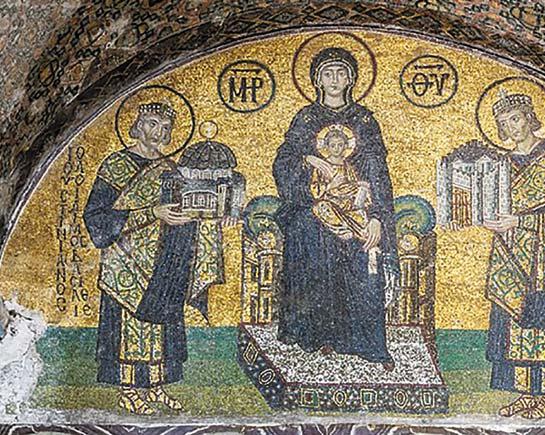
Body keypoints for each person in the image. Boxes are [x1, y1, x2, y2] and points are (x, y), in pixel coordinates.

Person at [273, 47, 399, 368]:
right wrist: (309, 160)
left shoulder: (363, 120)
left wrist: (377, 218)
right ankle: (316, 336)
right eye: (327, 74)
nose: (334, 80)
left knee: (363, 252)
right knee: (309, 232)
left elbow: (378, 173)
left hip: (358, 210)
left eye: (341, 73)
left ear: (351, 79)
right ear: (317, 80)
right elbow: (284, 163)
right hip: (314, 208)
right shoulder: (306, 118)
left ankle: (363, 343)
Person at [84, 101, 196, 415]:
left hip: (161, 261)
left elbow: (182, 208)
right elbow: (97, 217)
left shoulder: (171, 169)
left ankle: (156, 386)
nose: (158, 132)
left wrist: (197, 218)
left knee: (159, 326)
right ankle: (129, 390)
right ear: (137, 125)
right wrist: (152, 213)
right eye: (152, 123)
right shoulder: (115, 165)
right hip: (125, 261)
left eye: (164, 127)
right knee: (129, 328)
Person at [484, 90, 545, 419]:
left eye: (516, 119)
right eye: (505, 123)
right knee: (514, 323)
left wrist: (520, 221)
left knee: (540, 320)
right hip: (510, 254)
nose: (512, 127)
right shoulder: (501, 164)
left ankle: (544, 396)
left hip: (541, 257)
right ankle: (525, 395)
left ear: (529, 118)